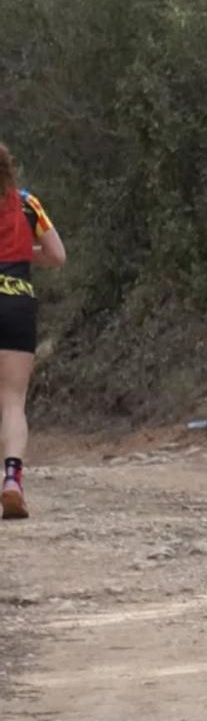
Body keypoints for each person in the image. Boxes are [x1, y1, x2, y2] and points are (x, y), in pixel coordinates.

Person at [0, 144, 66, 521]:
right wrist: (25, 254)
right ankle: (12, 480)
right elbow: (57, 256)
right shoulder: (26, 203)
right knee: (12, 401)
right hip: (16, 301)